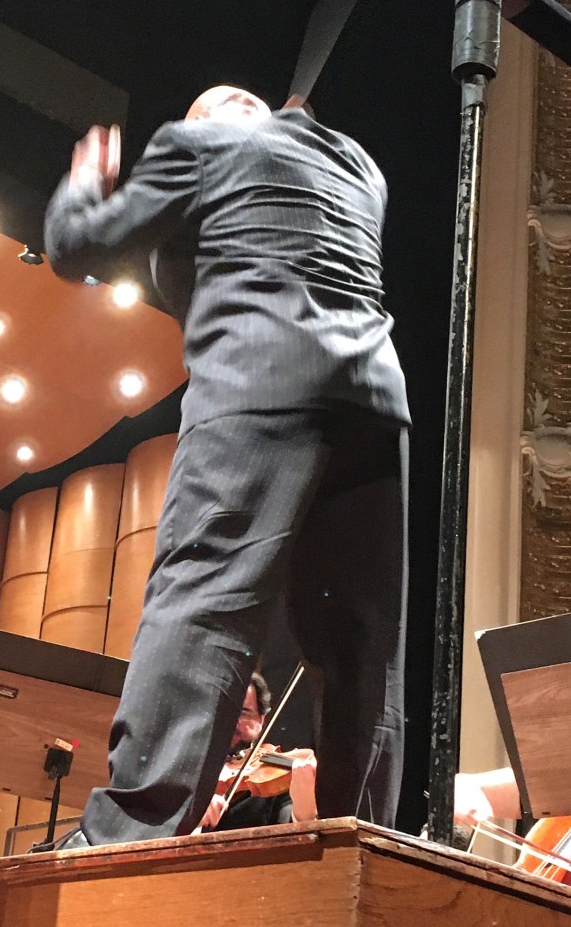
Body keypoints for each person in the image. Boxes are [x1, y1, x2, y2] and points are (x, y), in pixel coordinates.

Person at [44, 84, 411, 848]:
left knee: (202, 601)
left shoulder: (202, 145)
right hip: (374, 401)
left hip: (257, 382)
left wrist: (84, 184)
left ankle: (127, 835)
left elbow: (79, 246)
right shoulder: (359, 166)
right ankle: (359, 838)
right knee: (360, 643)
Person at [196, 672, 317, 831]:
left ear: (261, 720)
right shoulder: (182, 770)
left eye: (243, 713)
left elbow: (293, 833)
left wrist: (305, 811)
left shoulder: (275, 782)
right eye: (222, 711)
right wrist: (189, 816)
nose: (231, 721)